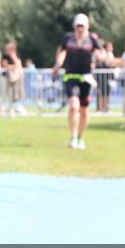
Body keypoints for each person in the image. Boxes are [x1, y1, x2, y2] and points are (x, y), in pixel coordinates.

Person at [52, 13, 101, 150]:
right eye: (78, 26)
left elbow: (100, 54)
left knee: (84, 109)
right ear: (75, 26)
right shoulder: (68, 38)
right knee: (74, 106)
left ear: (87, 27)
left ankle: (80, 137)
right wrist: (57, 65)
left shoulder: (92, 39)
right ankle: (73, 137)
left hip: (86, 77)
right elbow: (62, 52)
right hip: (71, 76)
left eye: (83, 26)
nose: (80, 29)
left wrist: (99, 58)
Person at [1, 41, 25, 115]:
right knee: (8, 93)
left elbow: (19, 65)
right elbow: (5, 65)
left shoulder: (16, 56)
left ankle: (16, 108)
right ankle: (8, 108)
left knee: (17, 93)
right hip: (7, 77)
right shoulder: (5, 57)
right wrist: (14, 67)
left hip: (16, 77)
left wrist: (14, 58)